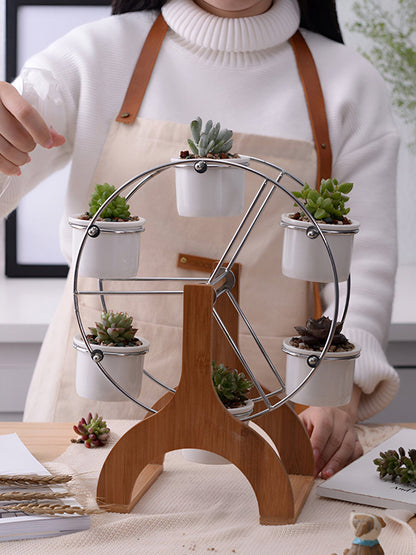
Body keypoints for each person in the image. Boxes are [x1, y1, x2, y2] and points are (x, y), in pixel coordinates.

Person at [0, 0, 400, 480]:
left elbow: (364, 262)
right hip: (92, 406)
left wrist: (340, 396)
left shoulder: (348, 84)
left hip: (270, 419)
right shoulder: (92, 57)